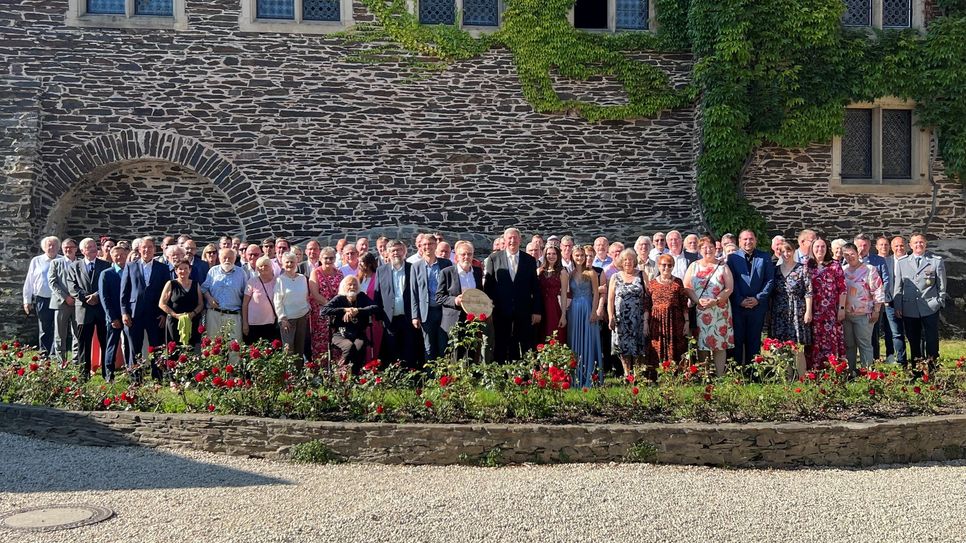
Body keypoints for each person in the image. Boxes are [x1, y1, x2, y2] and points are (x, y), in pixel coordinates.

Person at [483, 227, 543, 363]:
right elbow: (489, 287)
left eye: (515, 238)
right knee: (501, 345)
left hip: (523, 311)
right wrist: (488, 310)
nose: (512, 240)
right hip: (501, 310)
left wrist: (536, 310)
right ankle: (501, 377)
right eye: (509, 238)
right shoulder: (494, 258)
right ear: (504, 240)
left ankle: (524, 378)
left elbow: (535, 287)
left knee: (524, 345)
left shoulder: (529, 260)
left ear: (520, 240)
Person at [120, 236, 169, 378]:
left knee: (156, 346)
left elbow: (166, 293)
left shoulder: (163, 268)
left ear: (154, 249)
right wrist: (124, 312)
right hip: (135, 313)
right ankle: (136, 377)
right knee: (135, 347)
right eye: (144, 247)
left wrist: (164, 313)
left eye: (150, 247)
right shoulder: (130, 266)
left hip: (155, 313)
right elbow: (124, 291)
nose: (147, 250)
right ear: (139, 250)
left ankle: (157, 375)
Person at [684, 236, 734, 376]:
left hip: (719, 310)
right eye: (704, 247)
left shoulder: (723, 266)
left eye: (711, 247)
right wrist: (697, 300)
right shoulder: (693, 266)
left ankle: (720, 376)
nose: (708, 250)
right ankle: (705, 375)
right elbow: (687, 287)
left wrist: (716, 300)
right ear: (700, 250)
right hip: (701, 310)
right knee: (702, 343)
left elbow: (729, 288)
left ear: (715, 248)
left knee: (719, 344)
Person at [893, 234, 947, 365]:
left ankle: (932, 369)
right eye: (915, 243)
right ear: (910, 246)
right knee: (913, 339)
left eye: (921, 242)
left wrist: (939, 301)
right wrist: (898, 306)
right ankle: (917, 370)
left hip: (930, 306)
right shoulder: (902, 262)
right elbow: (898, 287)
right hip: (909, 308)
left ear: (925, 244)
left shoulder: (936, 261)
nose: (918, 245)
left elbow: (942, 284)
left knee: (932, 339)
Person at [726, 230, 775, 367]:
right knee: (737, 340)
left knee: (754, 340)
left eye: (751, 239)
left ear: (755, 240)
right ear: (739, 241)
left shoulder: (764, 257)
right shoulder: (732, 258)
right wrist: (740, 299)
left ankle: (753, 372)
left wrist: (758, 298)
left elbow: (769, 280)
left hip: (757, 307)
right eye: (745, 239)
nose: (748, 242)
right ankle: (737, 372)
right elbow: (731, 281)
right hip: (738, 306)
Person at [67, 238, 110, 379]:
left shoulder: (105, 265)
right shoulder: (74, 266)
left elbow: (108, 284)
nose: (92, 248)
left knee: (105, 342)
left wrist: (97, 296)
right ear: (82, 250)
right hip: (83, 310)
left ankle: (107, 374)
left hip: (101, 310)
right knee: (83, 344)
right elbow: (72, 287)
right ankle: (83, 374)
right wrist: (86, 297)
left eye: (94, 246)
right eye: (88, 247)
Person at [767, 240, 812, 373]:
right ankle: (787, 376)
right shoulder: (775, 270)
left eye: (789, 251)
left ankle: (801, 376)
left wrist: (808, 311)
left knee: (797, 346)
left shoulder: (802, 268)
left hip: (797, 309)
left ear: (793, 251)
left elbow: (808, 291)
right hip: (779, 311)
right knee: (781, 345)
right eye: (783, 251)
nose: (786, 254)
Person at [321, 275, 381, 374]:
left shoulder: (361, 296)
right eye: (349, 285)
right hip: (340, 334)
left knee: (359, 346)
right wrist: (345, 309)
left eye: (355, 284)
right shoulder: (339, 298)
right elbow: (324, 310)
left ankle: (355, 374)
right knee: (349, 346)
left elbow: (375, 307)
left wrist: (358, 310)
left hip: (358, 333)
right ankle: (340, 371)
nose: (352, 287)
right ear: (344, 286)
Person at [841, 243, 885, 374]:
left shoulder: (869, 269)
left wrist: (876, 310)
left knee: (864, 344)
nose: (850, 257)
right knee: (849, 345)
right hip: (847, 315)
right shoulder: (843, 270)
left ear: (857, 253)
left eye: (852, 254)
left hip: (864, 314)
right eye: (846, 255)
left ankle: (867, 373)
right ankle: (851, 371)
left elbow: (878, 290)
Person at [608, 249, 652, 378]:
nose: (628, 262)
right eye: (625, 259)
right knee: (623, 347)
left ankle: (638, 375)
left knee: (638, 346)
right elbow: (610, 299)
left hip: (638, 317)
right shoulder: (615, 277)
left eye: (631, 259)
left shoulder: (641, 275)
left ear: (635, 261)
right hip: (621, 318)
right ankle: (628, 375)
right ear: (621, 261)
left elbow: (648, 297)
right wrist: (611, 316)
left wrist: (646, 320)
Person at [374, 240, 417, 368]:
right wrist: (379, 317)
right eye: (393, 251)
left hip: (408, 316)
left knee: (409, 348)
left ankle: (409, 376)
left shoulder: (412, 268)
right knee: (392, 348)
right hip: (390, 317)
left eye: (399, 250)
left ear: (404, 252)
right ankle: (394, 378)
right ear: (387, 253)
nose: (396, 253)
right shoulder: (381, 270)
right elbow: (377, 294)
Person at [411, 233, 452, 361]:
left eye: (430, 244)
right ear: (420, 247)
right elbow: (414, 292)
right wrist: (415, 315)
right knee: (429, 347)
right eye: (424, 244)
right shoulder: (416, 267)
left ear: (436, 246)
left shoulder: (446, 263)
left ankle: (445, 377)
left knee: (444, 345)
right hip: (426, 312)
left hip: (443, 311)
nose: (427, 247)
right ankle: (430, 378)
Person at [436, 240, 485, 349]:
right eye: (463, 254)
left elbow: (480, 292)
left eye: (469, 254)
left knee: (471, 352)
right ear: (456, 257)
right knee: (454, 354)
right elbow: (439, 297)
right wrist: (455, 301)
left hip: (472, 319)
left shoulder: (477, 272)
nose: (466, 257)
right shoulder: (447, 272)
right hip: (453, 320)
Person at [647, 254, 688, 379]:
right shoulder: (652, 283)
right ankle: (657, 375)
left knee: (677, 346)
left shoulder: (678, 282)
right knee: (657, 346)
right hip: (657, 321)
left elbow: (684, 303)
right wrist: (645, 323)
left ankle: (676, 375)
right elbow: (647, 304)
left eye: (669, 265)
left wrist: (687, 321)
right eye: (663, 265)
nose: (666, 268)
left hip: (675, 320)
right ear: (658, 266)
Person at [807, 238, 846, 370]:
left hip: (831, 312)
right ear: (812, 248)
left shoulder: (834, 265)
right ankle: (813, 371)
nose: (820, 249)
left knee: (831, 341)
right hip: (813, 311)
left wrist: (841, 308)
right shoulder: (806, 265)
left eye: (823, 247)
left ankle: (832, 371)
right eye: (817, 247)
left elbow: (842, 289)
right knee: (814, 341)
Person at [567, 246, 603, 388]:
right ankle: (575, 377)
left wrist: (594, 311)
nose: (580, 258)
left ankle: (590, 376)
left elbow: (596, 293)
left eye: (582, 255)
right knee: (574, 340)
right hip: (574, 310)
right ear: (572, 256)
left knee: (588, 340)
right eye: (577, 255)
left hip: (588, 308)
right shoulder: (570, 274)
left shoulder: (591, 273)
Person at [854, 233, 890, 362]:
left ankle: (873, 360)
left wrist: (877, 300)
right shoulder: (847, 261)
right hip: (854, 304)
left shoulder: (878, 261)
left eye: (865, 245)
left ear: (869, 246)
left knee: (873, 332)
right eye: (859, 246)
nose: (862, 248)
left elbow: (886, 281)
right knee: (853, 333)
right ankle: (855, 360)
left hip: (873, 304)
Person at [98, 242, 129, 381]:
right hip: (114, 316)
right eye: (117, 256)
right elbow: (104, 298)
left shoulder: (131, 271)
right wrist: (112, 318)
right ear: (112, 257)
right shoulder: (106, 274)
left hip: (129, 315)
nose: (120, 258)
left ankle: (131, 370)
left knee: (129, 345)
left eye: (122, 255)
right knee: (111, 345)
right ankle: (109, 374)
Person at [202, 248, 247, 342]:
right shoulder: (213, 271)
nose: (227, 260)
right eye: (224, 257)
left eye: (230, 258)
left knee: (234, 350)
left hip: (233, 316)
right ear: (219, 258)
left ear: (235, 259)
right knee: (213, 349)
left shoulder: (241, 273)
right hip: (214, 314)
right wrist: (209, 298)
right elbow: (204, 288)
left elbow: (245, 296)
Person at [274, 252, 311, 364]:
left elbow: (305, 296)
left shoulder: (302, 278)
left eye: (292, 262)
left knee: (300, 349)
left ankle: (299, 376)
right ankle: (289, 376)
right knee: (288, 349)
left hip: (302, 317)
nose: (290, 264)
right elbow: (277, 301)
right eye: (287, 262)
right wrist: (282, 318)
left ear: (296, 263)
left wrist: (308, 308)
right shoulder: (280, 280)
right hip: (288, 320)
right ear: (283, 264)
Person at [309, 246, 344, 364]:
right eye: (326, 258)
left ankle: (337, 372)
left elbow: (343, 291)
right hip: (321, 315)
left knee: (337, 341)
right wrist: (329, 305)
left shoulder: (339, 273)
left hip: (337, 314)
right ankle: (321, 372)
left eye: (331, 258)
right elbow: (314, 294)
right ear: (320, 258)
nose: (329, 260)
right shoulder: (316, 273)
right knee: (321, 343)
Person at [159, 260, 204, 348]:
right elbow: (162, 304)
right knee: (175, 351)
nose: (183, 271)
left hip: (192, 322)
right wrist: (175, 315)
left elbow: (201, 304)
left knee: (191, 350)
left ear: (190, 270)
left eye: (186, 268)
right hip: (174, 323)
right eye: (180, 269)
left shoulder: (196, 284)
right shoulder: (171, 284)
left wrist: (192, 314)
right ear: (176, 271)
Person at [48, 238, 79, 365]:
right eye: (65, 247)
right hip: (61, 303)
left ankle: (77, 360)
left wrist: (77, 297)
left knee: (78, 333)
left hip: (78, 303)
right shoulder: (56, 263)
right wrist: (65, 297)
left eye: (71, 247)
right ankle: (62, 361)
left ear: (76, 249)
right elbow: (52, 282)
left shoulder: (81, 263)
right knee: (60, 334)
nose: (68, 249)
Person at [242, 256, 280, 345]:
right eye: (260, 266)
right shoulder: (252, 282)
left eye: (266, 265)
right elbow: (245, 304)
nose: (263, 268)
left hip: (271, 324)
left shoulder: (278, 282)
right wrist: (245, 323)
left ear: (271, 267)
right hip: (253, 325)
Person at [536, 245, 569, 344]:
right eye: (549, 254)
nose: (551, 256)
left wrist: (563, 315)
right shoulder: (539, 271)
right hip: (540, 307)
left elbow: (564, 294)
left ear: (558, 256)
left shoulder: (562, 272)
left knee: (554, 334)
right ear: (545, 255)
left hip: (553, 308)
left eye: (554, 254)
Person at [885, 236, 907, 364]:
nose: (899, 248)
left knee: (914, 334)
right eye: (896, 246)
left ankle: (919, 360)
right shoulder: (887, 261)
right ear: (891, 248)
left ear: (906, 246)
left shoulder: (911, 260)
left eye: (901, 245)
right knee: (896, 333)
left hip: (909, 302)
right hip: (891, 303)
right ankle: (901, 361)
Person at [357, 252, 382, 361]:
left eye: (363, 262)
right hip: (359, 316)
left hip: (374, 316)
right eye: (359, 262)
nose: (360, 265)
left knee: (374, 341)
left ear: (370, 263)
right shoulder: (357, 278)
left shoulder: (378, 277)